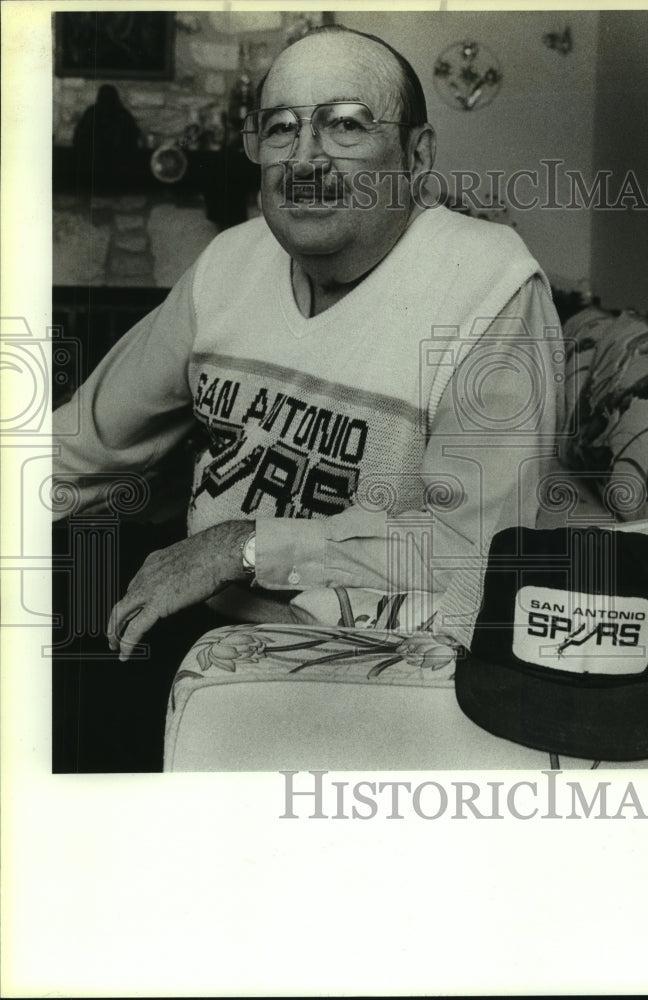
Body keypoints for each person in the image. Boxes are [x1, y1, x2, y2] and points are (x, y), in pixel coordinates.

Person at [52, 25, 563, 771]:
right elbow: (83, 442)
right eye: (281, 128)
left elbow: (476, 554)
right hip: (182, 614)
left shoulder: (491, 288)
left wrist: (243, 547)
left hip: (352, 666)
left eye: (346, 125)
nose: (305, 159)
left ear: (417, 155)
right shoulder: (229, 261)